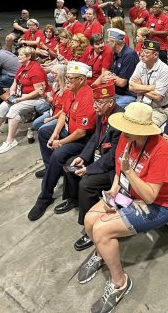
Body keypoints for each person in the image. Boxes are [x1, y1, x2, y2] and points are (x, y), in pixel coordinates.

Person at [77, 102, 168, 313]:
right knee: (89, 219)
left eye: (130, 129)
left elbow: (150, 197)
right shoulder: (127, 137)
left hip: (159, 204)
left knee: (101, 230)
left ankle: (120, 283)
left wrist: (129, 172)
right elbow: (118, 171)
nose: (124, 132)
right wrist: (114, 191)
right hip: (128, 194)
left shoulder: (161, 149)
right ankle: (101, 254)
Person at [55, 81, 123, 251]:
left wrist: (89, 169)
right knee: (71, 164)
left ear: (111, 103)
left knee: (87, 184)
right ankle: (73, 199)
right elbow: (95, 139)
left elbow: (113, 156)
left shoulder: (119, 121)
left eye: (99, 103)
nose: (95, 106)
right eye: (94, 102)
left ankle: (90, 228)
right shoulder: (102, 112)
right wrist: (83, 157)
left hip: (114, 169)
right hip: (101, 157)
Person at [28, 61, 96, 221]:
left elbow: (81, 132)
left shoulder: (88, 97)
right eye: (67, 77)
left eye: (71, 79)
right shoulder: (70, 91)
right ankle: (50, 168)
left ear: (81, 80)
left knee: (58, 154)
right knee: (44, 132)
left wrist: (61, 142)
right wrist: (55, 134)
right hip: (68, 129)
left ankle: (44, 197)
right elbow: (64, 113)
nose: (68, 81)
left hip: (82, 138)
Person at [0, 46, 48, 154]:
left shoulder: (36, 69)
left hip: (38, 98)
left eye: (21, 55)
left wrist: (21, 99)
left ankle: (10, 141)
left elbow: (38, 91)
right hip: (22, 95)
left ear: (29, 56)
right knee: (3, 107)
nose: (18, 56)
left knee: (14, 109)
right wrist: (12, 91)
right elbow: (15, 81)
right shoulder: (23, 67)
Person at [129, 39, 168, 127]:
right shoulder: (140, 64)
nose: (142, 55)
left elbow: (158, 96)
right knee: (126, 121)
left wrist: (140, 87)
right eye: (142, 51)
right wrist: (150, 88)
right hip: (141, 104)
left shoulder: (164, 69)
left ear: (155, 55)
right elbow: (131, 86)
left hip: (159, 109)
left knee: (148, 129)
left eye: (146, 52)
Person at [96, 28, 138, 108]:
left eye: (108, 41)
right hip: (115, 91)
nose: (107, 44)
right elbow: (113, 74)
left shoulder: (129, 55)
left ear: (114, 42)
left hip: (127, 94)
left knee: (106, 107)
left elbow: (122, 83)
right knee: (96, 102)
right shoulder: (116, 53)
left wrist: (109, 76)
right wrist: (110, 76)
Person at [27, 64, 70, 144]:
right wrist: (44, 95)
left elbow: (65, 110)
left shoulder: (67, 89)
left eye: (54, 73)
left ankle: (55, 139)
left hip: (60, 116)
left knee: (42, 129)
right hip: (52, 111)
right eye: (52, 73)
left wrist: (51, 118)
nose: (52, 75)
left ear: (61, 74)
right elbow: (52, 101)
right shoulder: (55, 84)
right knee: (36, 124)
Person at [145, 0, 168, 64]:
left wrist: (155, 32)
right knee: (151, 64)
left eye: (156, 8)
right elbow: (146, 28)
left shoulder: (166, 19)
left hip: (161, 47)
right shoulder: (150, 17)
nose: (154, 9)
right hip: (150, 45)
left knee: (162, 66)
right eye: (153, 7)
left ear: (161, 9)